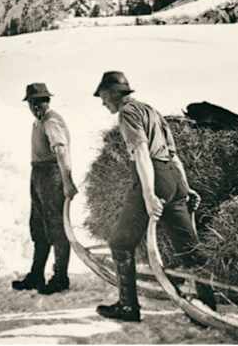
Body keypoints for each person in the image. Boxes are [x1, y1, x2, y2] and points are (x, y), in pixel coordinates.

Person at [92, 71, 217, 321]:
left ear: (114, 93)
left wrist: (149, 194)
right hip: (171, 177)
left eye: (103, 96)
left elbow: (141, 152)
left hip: (153, 178)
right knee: (189, 249)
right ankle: (208, 306)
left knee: (120, 243)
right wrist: (185, 187)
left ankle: (128, 307)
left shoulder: (127, 113)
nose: (103, 102)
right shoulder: (152, 111)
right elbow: (173, 154)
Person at [12, 82, 78, 295]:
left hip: (52, 175)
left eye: (39, 101)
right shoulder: (39, 122)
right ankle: (36, 274)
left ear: (46, 101)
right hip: (39, 175)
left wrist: (67, 181)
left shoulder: (51, 121)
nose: (35, 106)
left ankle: (60, 278)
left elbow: (61, 151)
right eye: (32, 102)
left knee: (57, 229)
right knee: (39, 227)